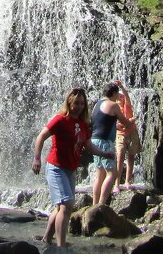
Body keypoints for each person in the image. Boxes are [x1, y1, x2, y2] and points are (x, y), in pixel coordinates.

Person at [32, 87, 111, 247]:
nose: (79, 106)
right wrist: (37, 158)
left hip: (70, 168)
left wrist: (105, 154)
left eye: (82, 103)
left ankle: (47, 238)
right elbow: (41, 136)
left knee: (61, 205)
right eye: (76, 103)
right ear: (69, 102)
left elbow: (88, 146)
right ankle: (61, 245)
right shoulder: (60, 119)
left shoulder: (82, 124)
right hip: (56, 166)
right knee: (67, 204)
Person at [90, 82, 135, 205]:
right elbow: (126, 123)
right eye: (117, 94)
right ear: (114, 93)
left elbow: (102, 122)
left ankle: (94, 204)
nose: (118, 97)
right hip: (105, 142)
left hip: (94, 140)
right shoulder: (113, 105)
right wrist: (132, 121)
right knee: (112, 173)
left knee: (100, 174)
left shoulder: (97, 104)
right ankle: (101, 204)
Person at [114, 80, 141, 192]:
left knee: (131, 156)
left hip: (132, 133)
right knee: (120, 158)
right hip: (120, 135)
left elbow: (126, 95)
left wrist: (121, 86)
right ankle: (116, 184)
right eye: (119, 96)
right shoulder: (114, 109)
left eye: (122, 96)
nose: (121, 97)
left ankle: (128, 181)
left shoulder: (127, 105)